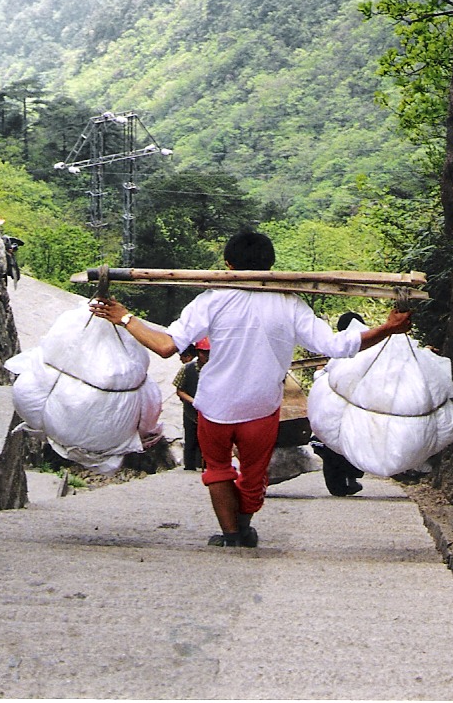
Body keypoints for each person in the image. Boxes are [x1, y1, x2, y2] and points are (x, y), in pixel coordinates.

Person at [90, 230, 412, 548]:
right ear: (271, 265)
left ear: (228, 264)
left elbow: (164, 346)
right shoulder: (290, 303)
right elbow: (336, 345)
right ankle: (243, 530)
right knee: (253, 476)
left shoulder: (211, 299)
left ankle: (232, 535)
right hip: (261, 408)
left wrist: (124, 317)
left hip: (214, 405)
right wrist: (388, 328)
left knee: (217, 470)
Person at [308, 311, 367, 497]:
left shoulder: (338, 353)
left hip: (332, 414)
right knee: (352, 445)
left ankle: (343, 483)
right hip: (355, 412)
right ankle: (351, 477)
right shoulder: (370, 350)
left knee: (331, 452)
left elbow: (322, 377)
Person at [173, 338, 210, 471]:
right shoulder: (187, 369)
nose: (206, 356)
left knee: (209, 439)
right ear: (198, 352)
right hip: (191, 411)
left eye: (209, 352)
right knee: (191, 437)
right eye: (203, 353)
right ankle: (190, 465)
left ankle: (207, 463)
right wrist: (193, 401)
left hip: (211, 411)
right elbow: (179, 390)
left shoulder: (217, 368)